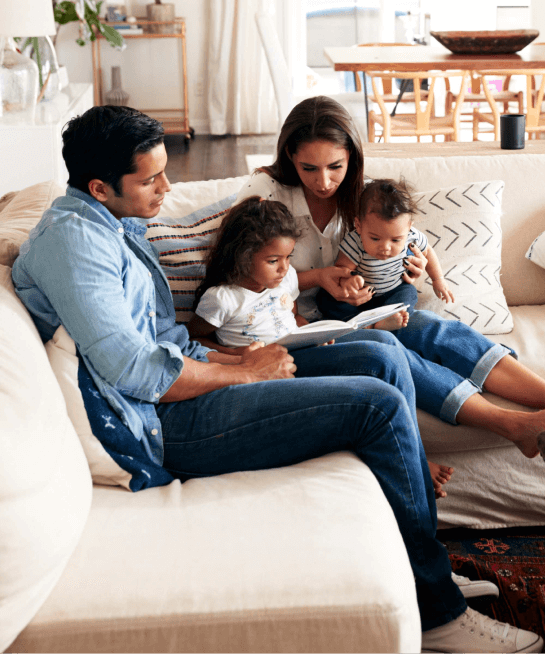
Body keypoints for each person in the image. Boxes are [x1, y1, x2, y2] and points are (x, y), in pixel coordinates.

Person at [11, 105, 542, 653]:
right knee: (377, 405)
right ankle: (437, 615)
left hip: (192, 375)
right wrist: (241, 373)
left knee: (381, 350)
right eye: (151, 179)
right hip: (166, 421)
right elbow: (136, 372)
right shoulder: (75, 244)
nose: (169, 187)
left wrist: (239, 360)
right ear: (99, 186)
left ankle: (419, 563)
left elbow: (161, 342)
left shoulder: (112, 222)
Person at [231, 95, 545, 458]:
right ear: (289, 158)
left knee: (432, 328)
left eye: (336, 166)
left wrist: (408, 271)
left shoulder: (364, 199)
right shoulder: (266, 191)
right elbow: (239, 270)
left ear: (352, 158)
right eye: (308, 168)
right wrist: (319, 277)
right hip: (297, 328)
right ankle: (514, 426)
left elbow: (400, 247)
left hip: (359, 313)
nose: (325, 182)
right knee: (391, 350)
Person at [186, 194, 453, 498]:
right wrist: (238, 357)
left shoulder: (285, 280)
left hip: (301, 351)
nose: (284, 268)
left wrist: (309, 330)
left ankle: (412, 456)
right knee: (376, 367)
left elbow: (292, 315)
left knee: (386, 345)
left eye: (289, 258)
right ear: (242, 255)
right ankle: (413, 463)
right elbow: (195, 339)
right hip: (266, 370)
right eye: (274, 261)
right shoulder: (223, 298)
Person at [316, 178, 453, 331]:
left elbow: (428, 252)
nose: (385, 247)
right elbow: (341, 270)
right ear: (359, 226)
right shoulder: (355, 242)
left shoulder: (412, 236)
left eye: (395, 240)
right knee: (326, 299)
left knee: (408, 292)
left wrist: (438, 279)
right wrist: (348, 283)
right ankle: (360, 325)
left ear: (409, 228)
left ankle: (387, 320)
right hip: (359, 298)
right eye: (375, 238)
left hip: (392, 293)